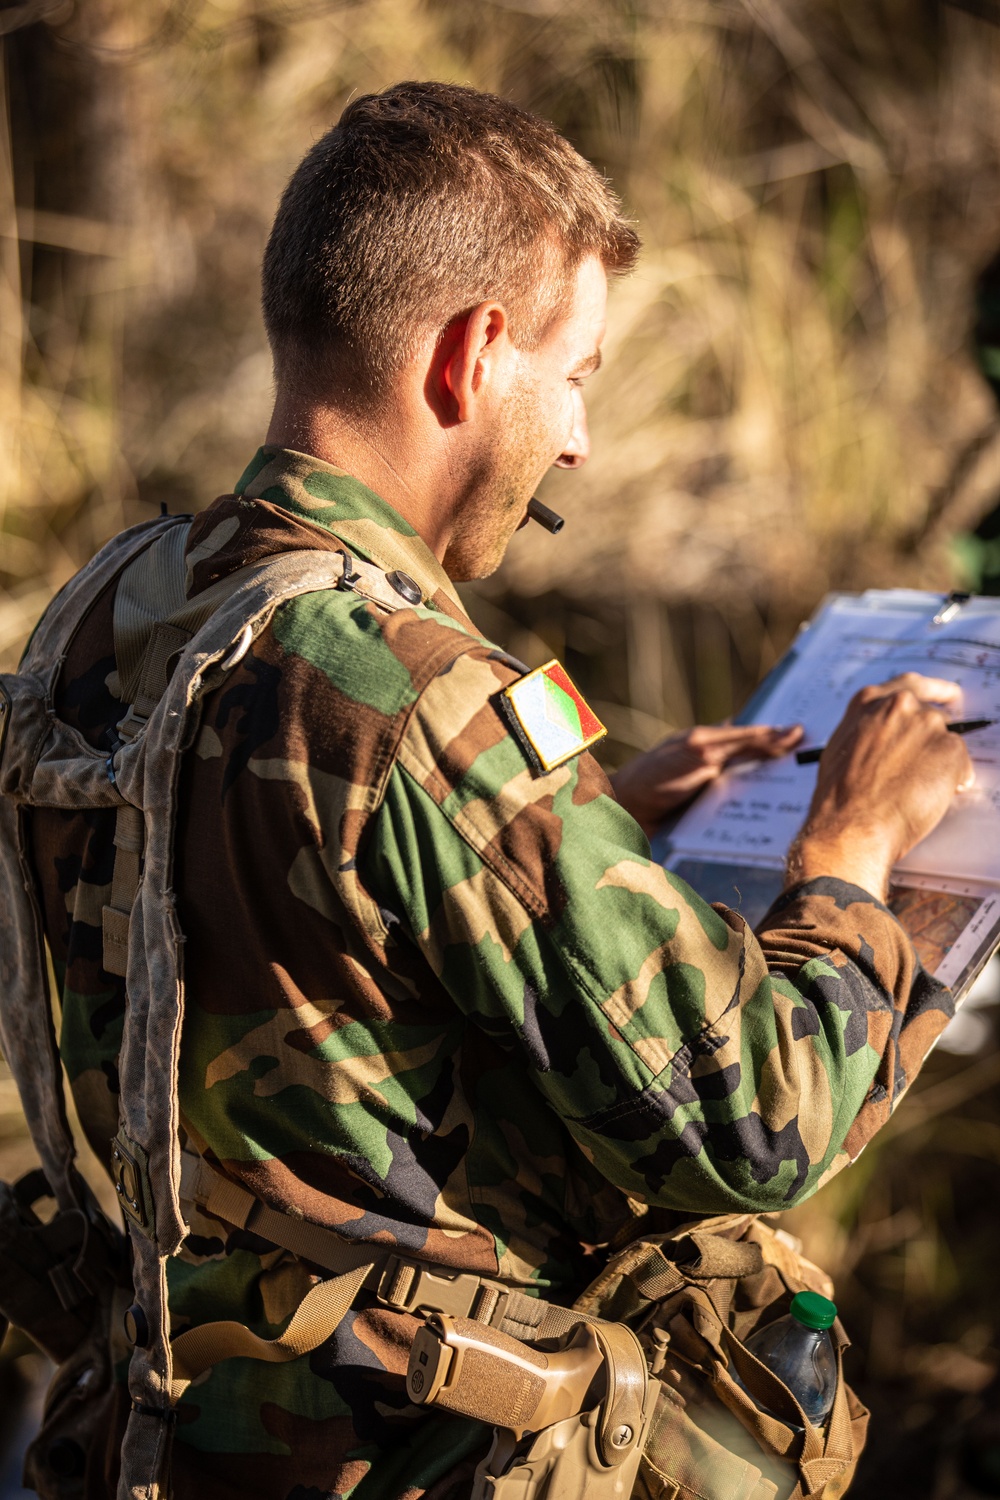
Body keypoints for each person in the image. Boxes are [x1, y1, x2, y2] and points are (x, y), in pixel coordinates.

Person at [26, 81, 972, 1500]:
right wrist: (851, 850)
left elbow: (253, 916)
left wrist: (593, 832)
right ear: (472, 356)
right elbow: (755, 1119)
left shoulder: (107, 610)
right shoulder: (407, 689)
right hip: (408, 1458)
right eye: (578, 372)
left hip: (154, 1436)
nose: (578, 441)